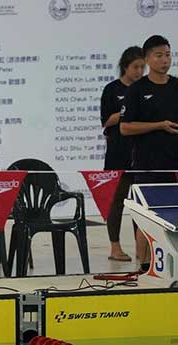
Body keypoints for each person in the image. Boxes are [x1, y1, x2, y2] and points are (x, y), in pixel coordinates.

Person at [120, 35, 178, 272]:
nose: (165, 60)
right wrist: (158, 125)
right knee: (146, 215)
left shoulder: (176, 86)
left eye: (168, 55)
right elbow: (124, 128)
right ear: (147, 59)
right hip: (148, 164)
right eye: (159, 55)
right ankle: (143, 264)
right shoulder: (137, 90)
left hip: (175, 163)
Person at [100, 46, 145, 263]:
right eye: (135, 67)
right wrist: (125, 113)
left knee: (141, 202)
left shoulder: (144, 89)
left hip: (141, 153)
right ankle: (115, 247)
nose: (139, 72)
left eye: (142, 67)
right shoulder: (111, 89)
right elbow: (105, 121)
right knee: (117, 201)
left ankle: (142, 247)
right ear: (125, 66)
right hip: (118, 153)